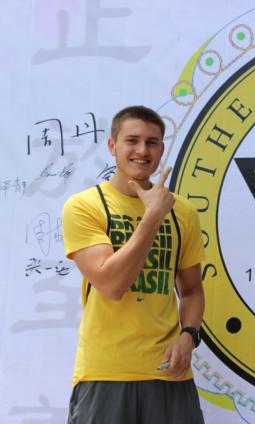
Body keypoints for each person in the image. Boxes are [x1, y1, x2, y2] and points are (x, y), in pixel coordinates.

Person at [62, 105, 206, 423]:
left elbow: (192, 291)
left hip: (169, 374)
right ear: (112, 146)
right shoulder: (84, 206)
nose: (142, 150)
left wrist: (189, 336)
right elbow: (111, 285)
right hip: (106, 373)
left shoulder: (182, 212)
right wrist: (152, 216)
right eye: (132, 140)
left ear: (161, 150)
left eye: (152, 142)